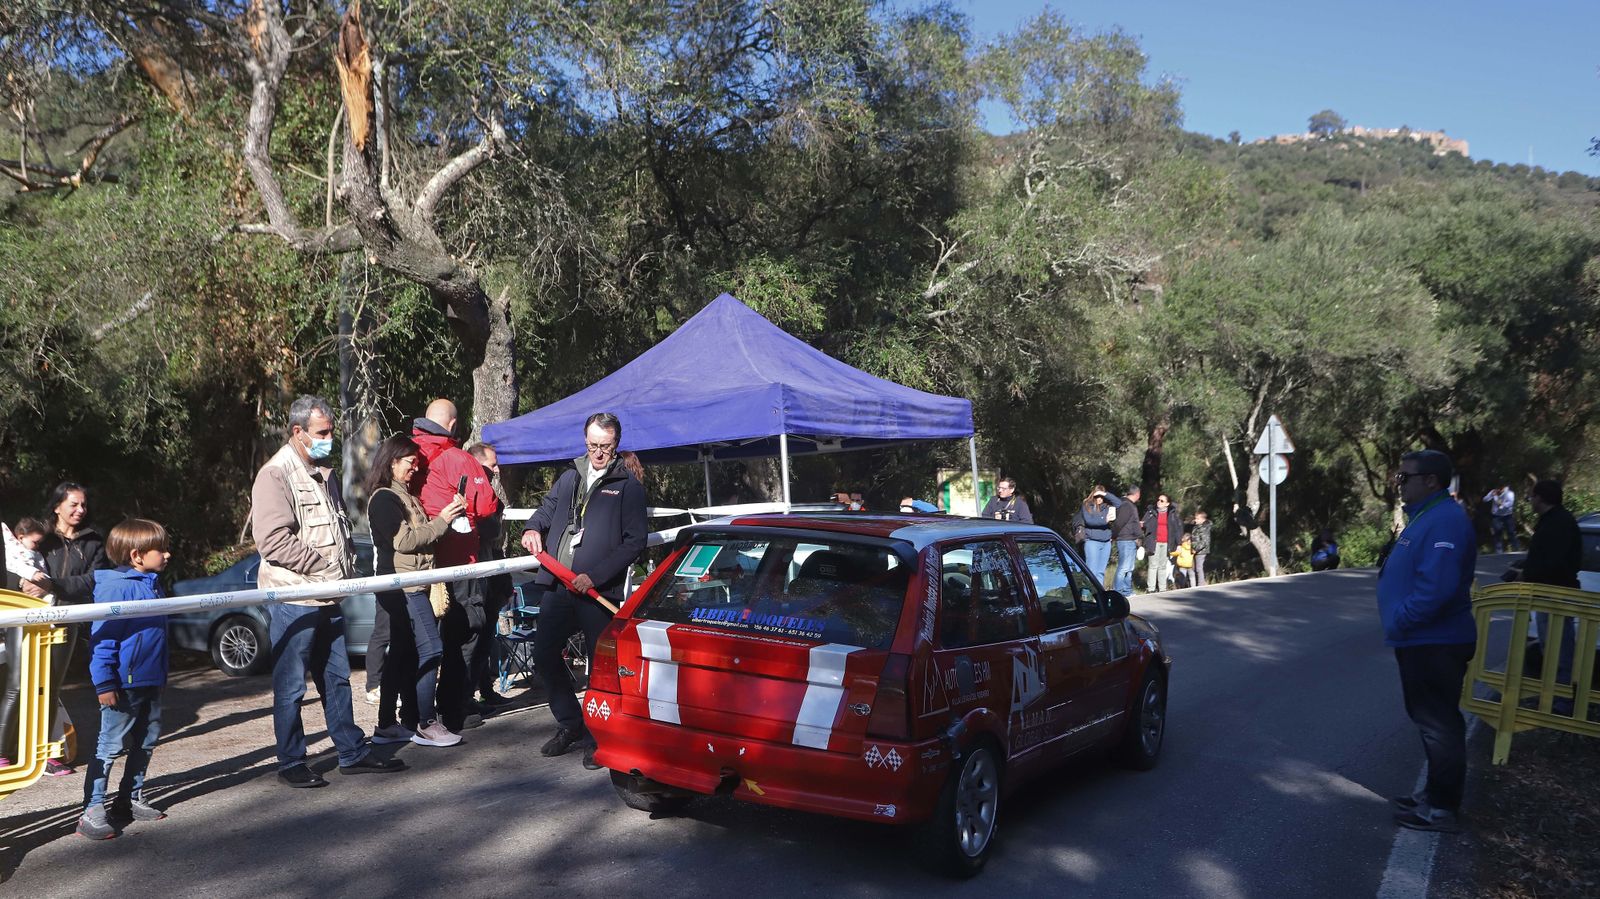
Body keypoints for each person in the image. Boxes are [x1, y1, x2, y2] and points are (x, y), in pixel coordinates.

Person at [252, 395, 403, 788]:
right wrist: (323, 567)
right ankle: (291, 761)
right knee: (290, 687)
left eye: (331, 430)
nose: (329, 438)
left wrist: (344, 567)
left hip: (329, 596)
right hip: (293, 599)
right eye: (322, 432)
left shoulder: (324, 472)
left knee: (337, 679)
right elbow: (272, 541)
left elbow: (336, 532)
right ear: (297, 432)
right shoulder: (275, 474)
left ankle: (351, 751)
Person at [519, 412, 647, 769]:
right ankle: (571, 724)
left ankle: (598, 737)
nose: (598, 453)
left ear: (616, 444)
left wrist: (595, 575)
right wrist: (532, 528)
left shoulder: (628, 486)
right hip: (559, 586)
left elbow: (634, 542)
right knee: (544, 654)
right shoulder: (570, 476)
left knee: (600, 669)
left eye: (605, 447)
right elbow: (546, 510)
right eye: (593, 446)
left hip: (597, 592)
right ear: (585, 441)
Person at [1379, 449, 1477, 833]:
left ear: (1431, 480)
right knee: (1428, 721)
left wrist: (1403, 620)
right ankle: (1434, 794)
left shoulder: (1445, 522)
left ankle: (1441, 808)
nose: (1399, 483)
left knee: (1439, 724)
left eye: (1405, 477)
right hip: (1420, 640)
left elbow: (1437, 588)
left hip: (1434, 641)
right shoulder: (1428, 516)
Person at [366, 434, 467, 748]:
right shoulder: (385, 499)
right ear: (393, 461)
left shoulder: (403, 496)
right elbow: (405, 541)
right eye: (411, 463)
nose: (415, 469)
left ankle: (389, 725)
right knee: (431, 649)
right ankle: (425, 722)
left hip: (412, 584)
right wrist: (443, 521)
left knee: (402, 655)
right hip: (404, 586)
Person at [76, 518, 174, 840]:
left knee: (146, 741)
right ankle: (91, 809)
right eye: (161, 549)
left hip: (150, 680)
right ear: (136, 555)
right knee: (110, 745)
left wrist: (159, 674)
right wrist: (104, 684)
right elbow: (102, 641)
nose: (168, 554)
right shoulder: (116, 587)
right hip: (122, 684)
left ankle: (128, 798)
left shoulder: (152, 582)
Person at [410, 398, 500, 732]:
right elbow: (488, 505)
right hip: (461, 563)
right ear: (452, 425)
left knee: (423, 643)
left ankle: (415, 714)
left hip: (419, 565)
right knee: (466, 632)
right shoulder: (457, 459)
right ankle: (455, 708)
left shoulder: (408, 455)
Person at [28, 483, 110, 776]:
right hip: (29, 619)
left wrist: (53, 585)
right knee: (23, 686)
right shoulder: (40, 537)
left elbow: (92, 581)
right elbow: (20, 566)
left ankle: (46, 754)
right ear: (57, 506)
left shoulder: (93, 541)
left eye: (83, 505)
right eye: (73, 504)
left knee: (49, 687)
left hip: (66, 622)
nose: (80, 510)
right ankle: (16, 750)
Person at [1503, 479, 1583, 701]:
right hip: (1548, 592)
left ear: (1540, 497)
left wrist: (1526, 574)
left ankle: (1562, 700)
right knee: (1551, 646)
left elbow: (1553, 562)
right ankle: (1553, 695)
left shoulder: (1558, 522)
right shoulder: (1552, 521)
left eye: (1532, 496)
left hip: (1556, 593)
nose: (1529, 500)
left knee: (1559, 647)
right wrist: (1524, 567)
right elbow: (1543, 556)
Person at [468, 441, 514, 707]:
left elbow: (496, 542)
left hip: (492, 570)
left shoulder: (490, 495)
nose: (496, 471)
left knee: (486, 638)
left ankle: (485, 689)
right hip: (475, 574)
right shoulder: (473, 493)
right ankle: (468, 695)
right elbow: (490, 532)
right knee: (475, 639)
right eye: (492, 465)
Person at [1071, 486, 1116, 587]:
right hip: (1092, 542)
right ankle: (1088, 595)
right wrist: (1105, 520)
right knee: (1091, 572)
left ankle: (1099, 597)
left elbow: (1119, 503)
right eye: (1097, 496)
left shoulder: (1107, 506)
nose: (1100, 498)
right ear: (1093, 495)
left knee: (1101, 572)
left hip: (1106, 542)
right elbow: (1089, 521)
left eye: (1102, 496)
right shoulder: (1087, 505)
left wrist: (1106, 494)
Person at [1142, 493, 1182, 594]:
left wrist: (1179, 544)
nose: (1159, 502)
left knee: (1163, 566)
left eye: (1162, 501)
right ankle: (1151, 588)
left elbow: (1177, 529)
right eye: (1158, 500)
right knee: (1153, 565)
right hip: (1153, 541)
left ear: (1167, 504)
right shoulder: (1151, 512)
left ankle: (1162, 588)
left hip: (1166, 543)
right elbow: (1144, 524)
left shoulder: (1172, 514)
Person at [1109, 485, 1143, 595]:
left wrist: (1138, 534)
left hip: (1131, 539)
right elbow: (1119, 523)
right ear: (1137, 494)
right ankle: (1117, 592)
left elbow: (1131, 523)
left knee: (1129, 568)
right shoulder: (1126, 505)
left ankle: (1127, 591)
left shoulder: (1129, 505)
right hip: (1125, 539)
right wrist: (1113, 535)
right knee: (1123, 567)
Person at [1483, 484, 1519, 553]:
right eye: (1497, 488)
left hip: (1507, 515)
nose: (1498, 490)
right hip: (1496, 516)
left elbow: (1508, 505)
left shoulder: (1509, 493)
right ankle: (1499, 552)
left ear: (1503, 488)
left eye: (1500, 489)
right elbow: (1485, 500)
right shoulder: (1494, 492)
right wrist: (1491, 495)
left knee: (1511, 532)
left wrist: (1498, 500)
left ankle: (1516, 549)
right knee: (1497, 533)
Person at [1189, 510, 1212, 586]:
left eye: (1198, 519)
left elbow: (1204, 542)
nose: (1195, 520)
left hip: (1201, 551)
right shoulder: (1196, 527)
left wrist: (1196, 549)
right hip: (1195, 550)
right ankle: (1199, 582)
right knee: (1194, 568)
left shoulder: (1204, 528)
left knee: (1199, 568)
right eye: (1195, 518)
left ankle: (1201, 584)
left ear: (1203, 519)